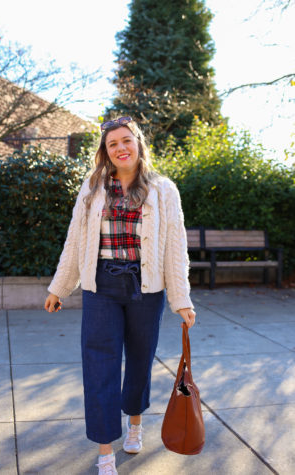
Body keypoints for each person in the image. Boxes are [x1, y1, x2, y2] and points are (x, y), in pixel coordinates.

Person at [44, 116, 196, 474]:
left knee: (140, 361)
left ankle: (135, 424)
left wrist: (182, 298)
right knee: (100, 367)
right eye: (113, 144)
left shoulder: (164, 190)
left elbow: (176, 247)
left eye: (126, 140)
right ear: (106, 151)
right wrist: (59, 286)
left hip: (147, 289)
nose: (121, 148)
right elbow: (75, 240)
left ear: (138, 143)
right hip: (102, 288)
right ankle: (104, 451)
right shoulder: (92, 188)